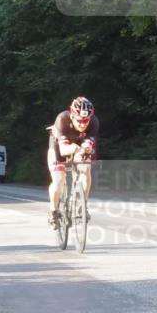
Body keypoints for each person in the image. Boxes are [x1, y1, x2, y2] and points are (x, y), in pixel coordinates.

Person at [48, 97, 99, 228]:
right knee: (58, 178)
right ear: (72, 115)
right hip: (59, 144)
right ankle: (53, 211)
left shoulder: (94, 122)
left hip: (78, 142)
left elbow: (89, 143)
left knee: (86, 169)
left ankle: (82, 205)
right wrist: (76, 148)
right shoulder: (62, 119)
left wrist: (87, 148)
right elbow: (64, 150)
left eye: (86, 121)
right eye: (80, 121)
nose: (83, 124)